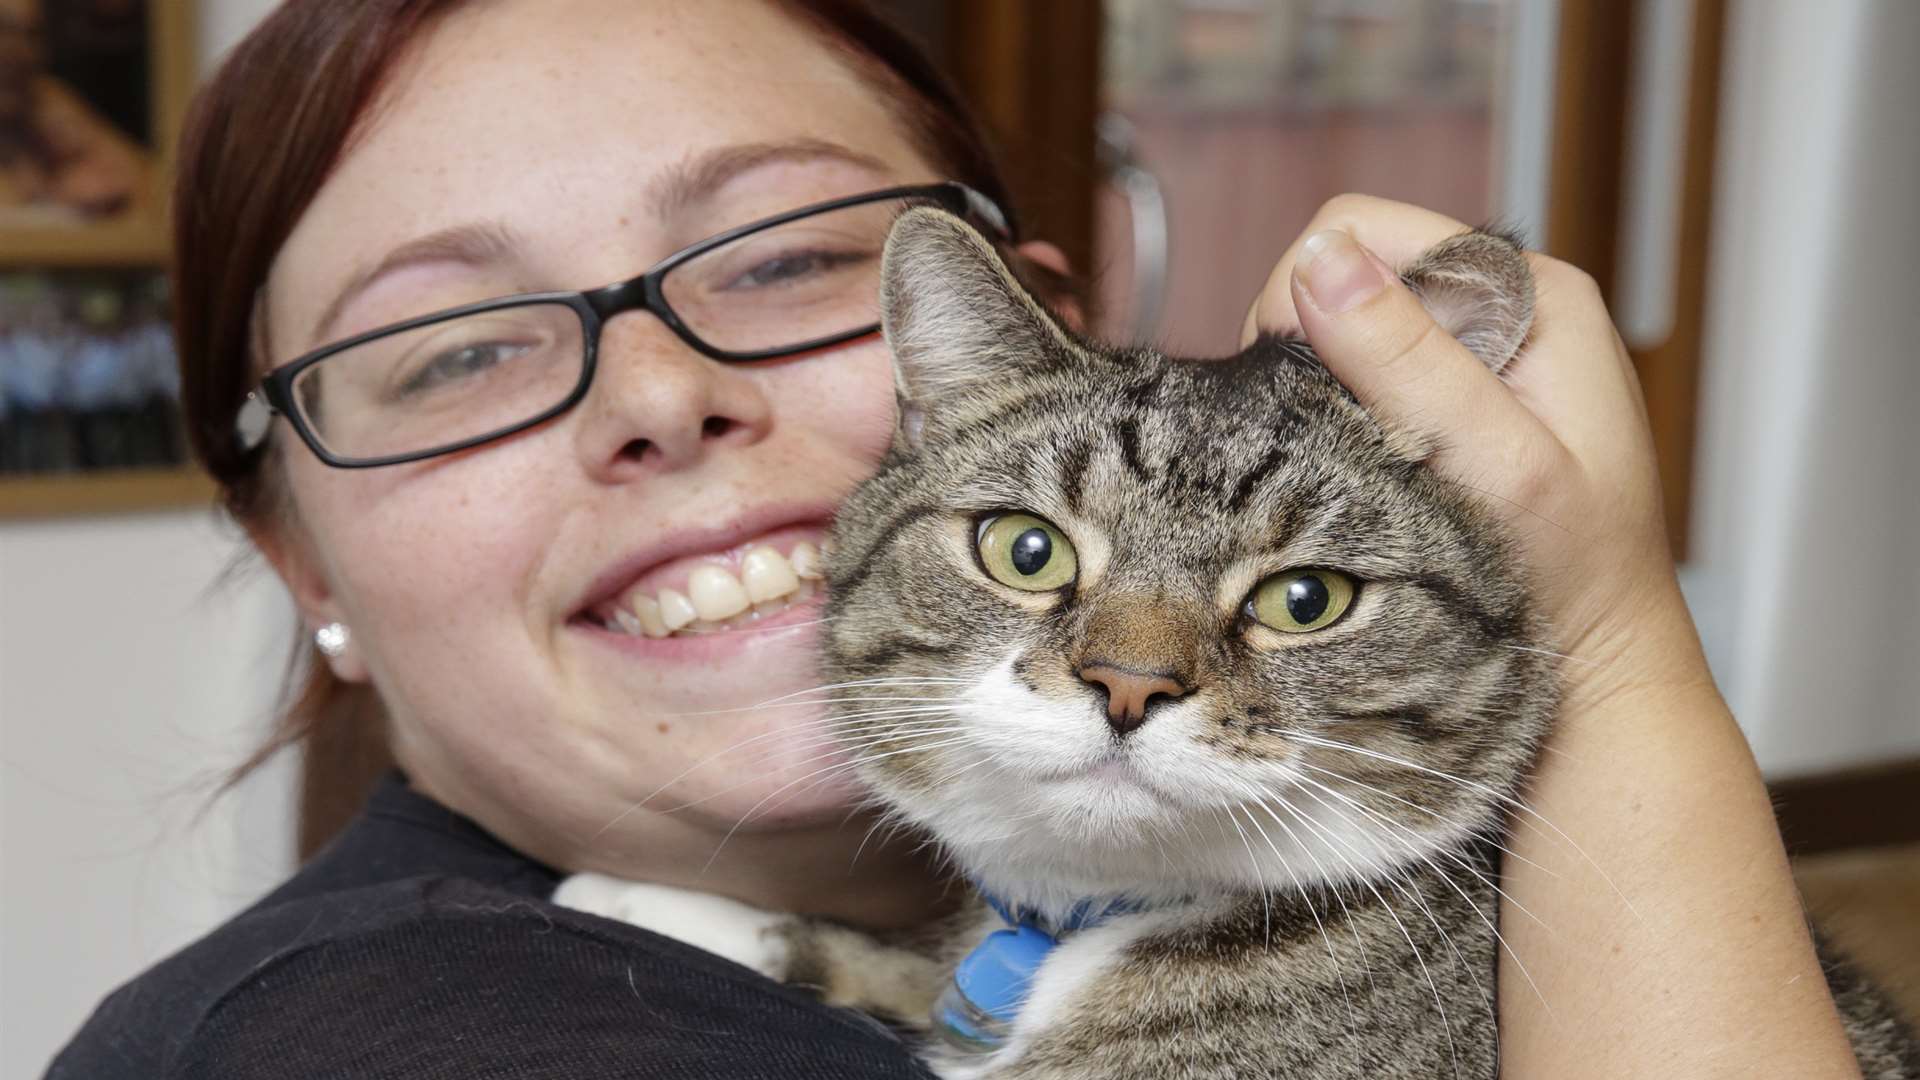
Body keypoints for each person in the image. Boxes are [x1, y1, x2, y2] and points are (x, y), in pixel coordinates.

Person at [50, 1, 1867, 1077]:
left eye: (781, 259)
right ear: (301, 563)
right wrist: (1622, 668)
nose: (662, 395)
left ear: (1019, 329)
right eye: (452, 349)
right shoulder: (375, 1031)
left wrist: (1607, 643)